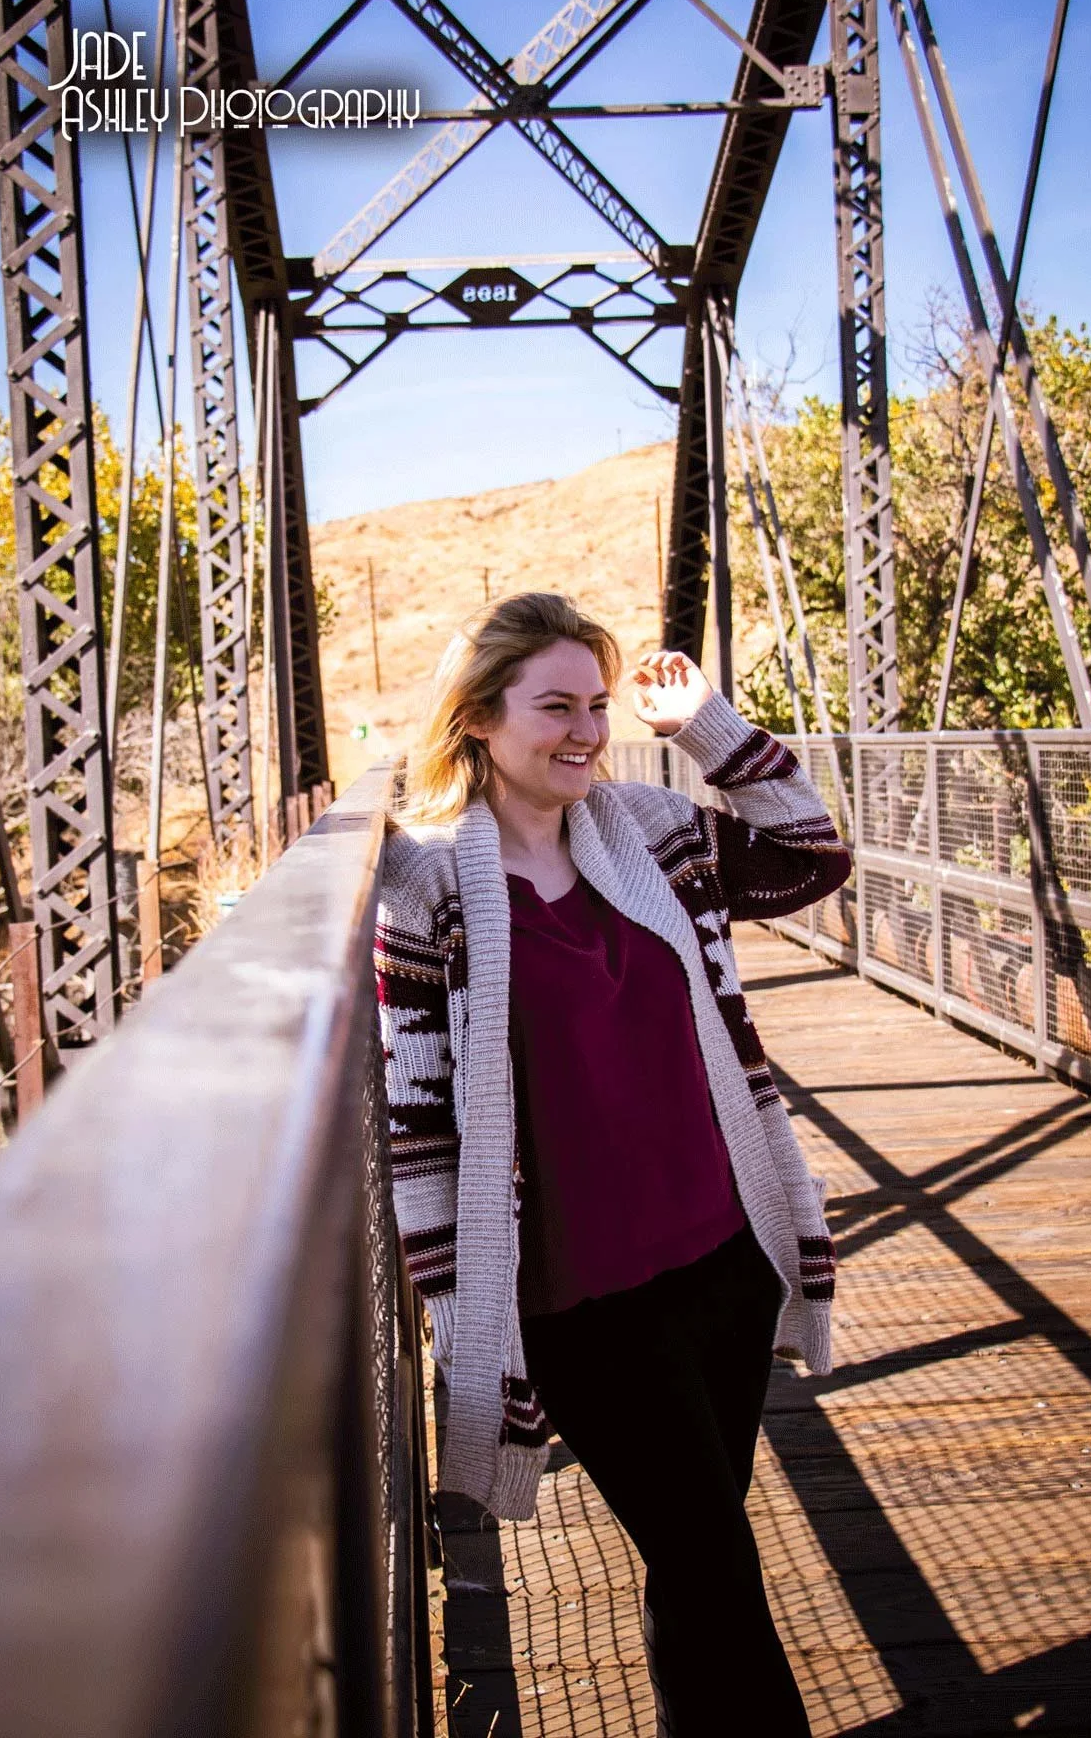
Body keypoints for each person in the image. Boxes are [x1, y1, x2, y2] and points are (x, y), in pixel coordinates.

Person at [374, 592, 851, 1735]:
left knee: (700, 1555)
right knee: (712, 1562)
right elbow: (422, 1121)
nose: (585, 729)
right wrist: (461, 1311)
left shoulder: (652, 826)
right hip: (585, 1306)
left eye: (597, 704)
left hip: (725, 1263)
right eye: (555, 707)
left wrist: (707, 727)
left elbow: (809, 854)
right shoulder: (428, 886)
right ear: (481, 718)